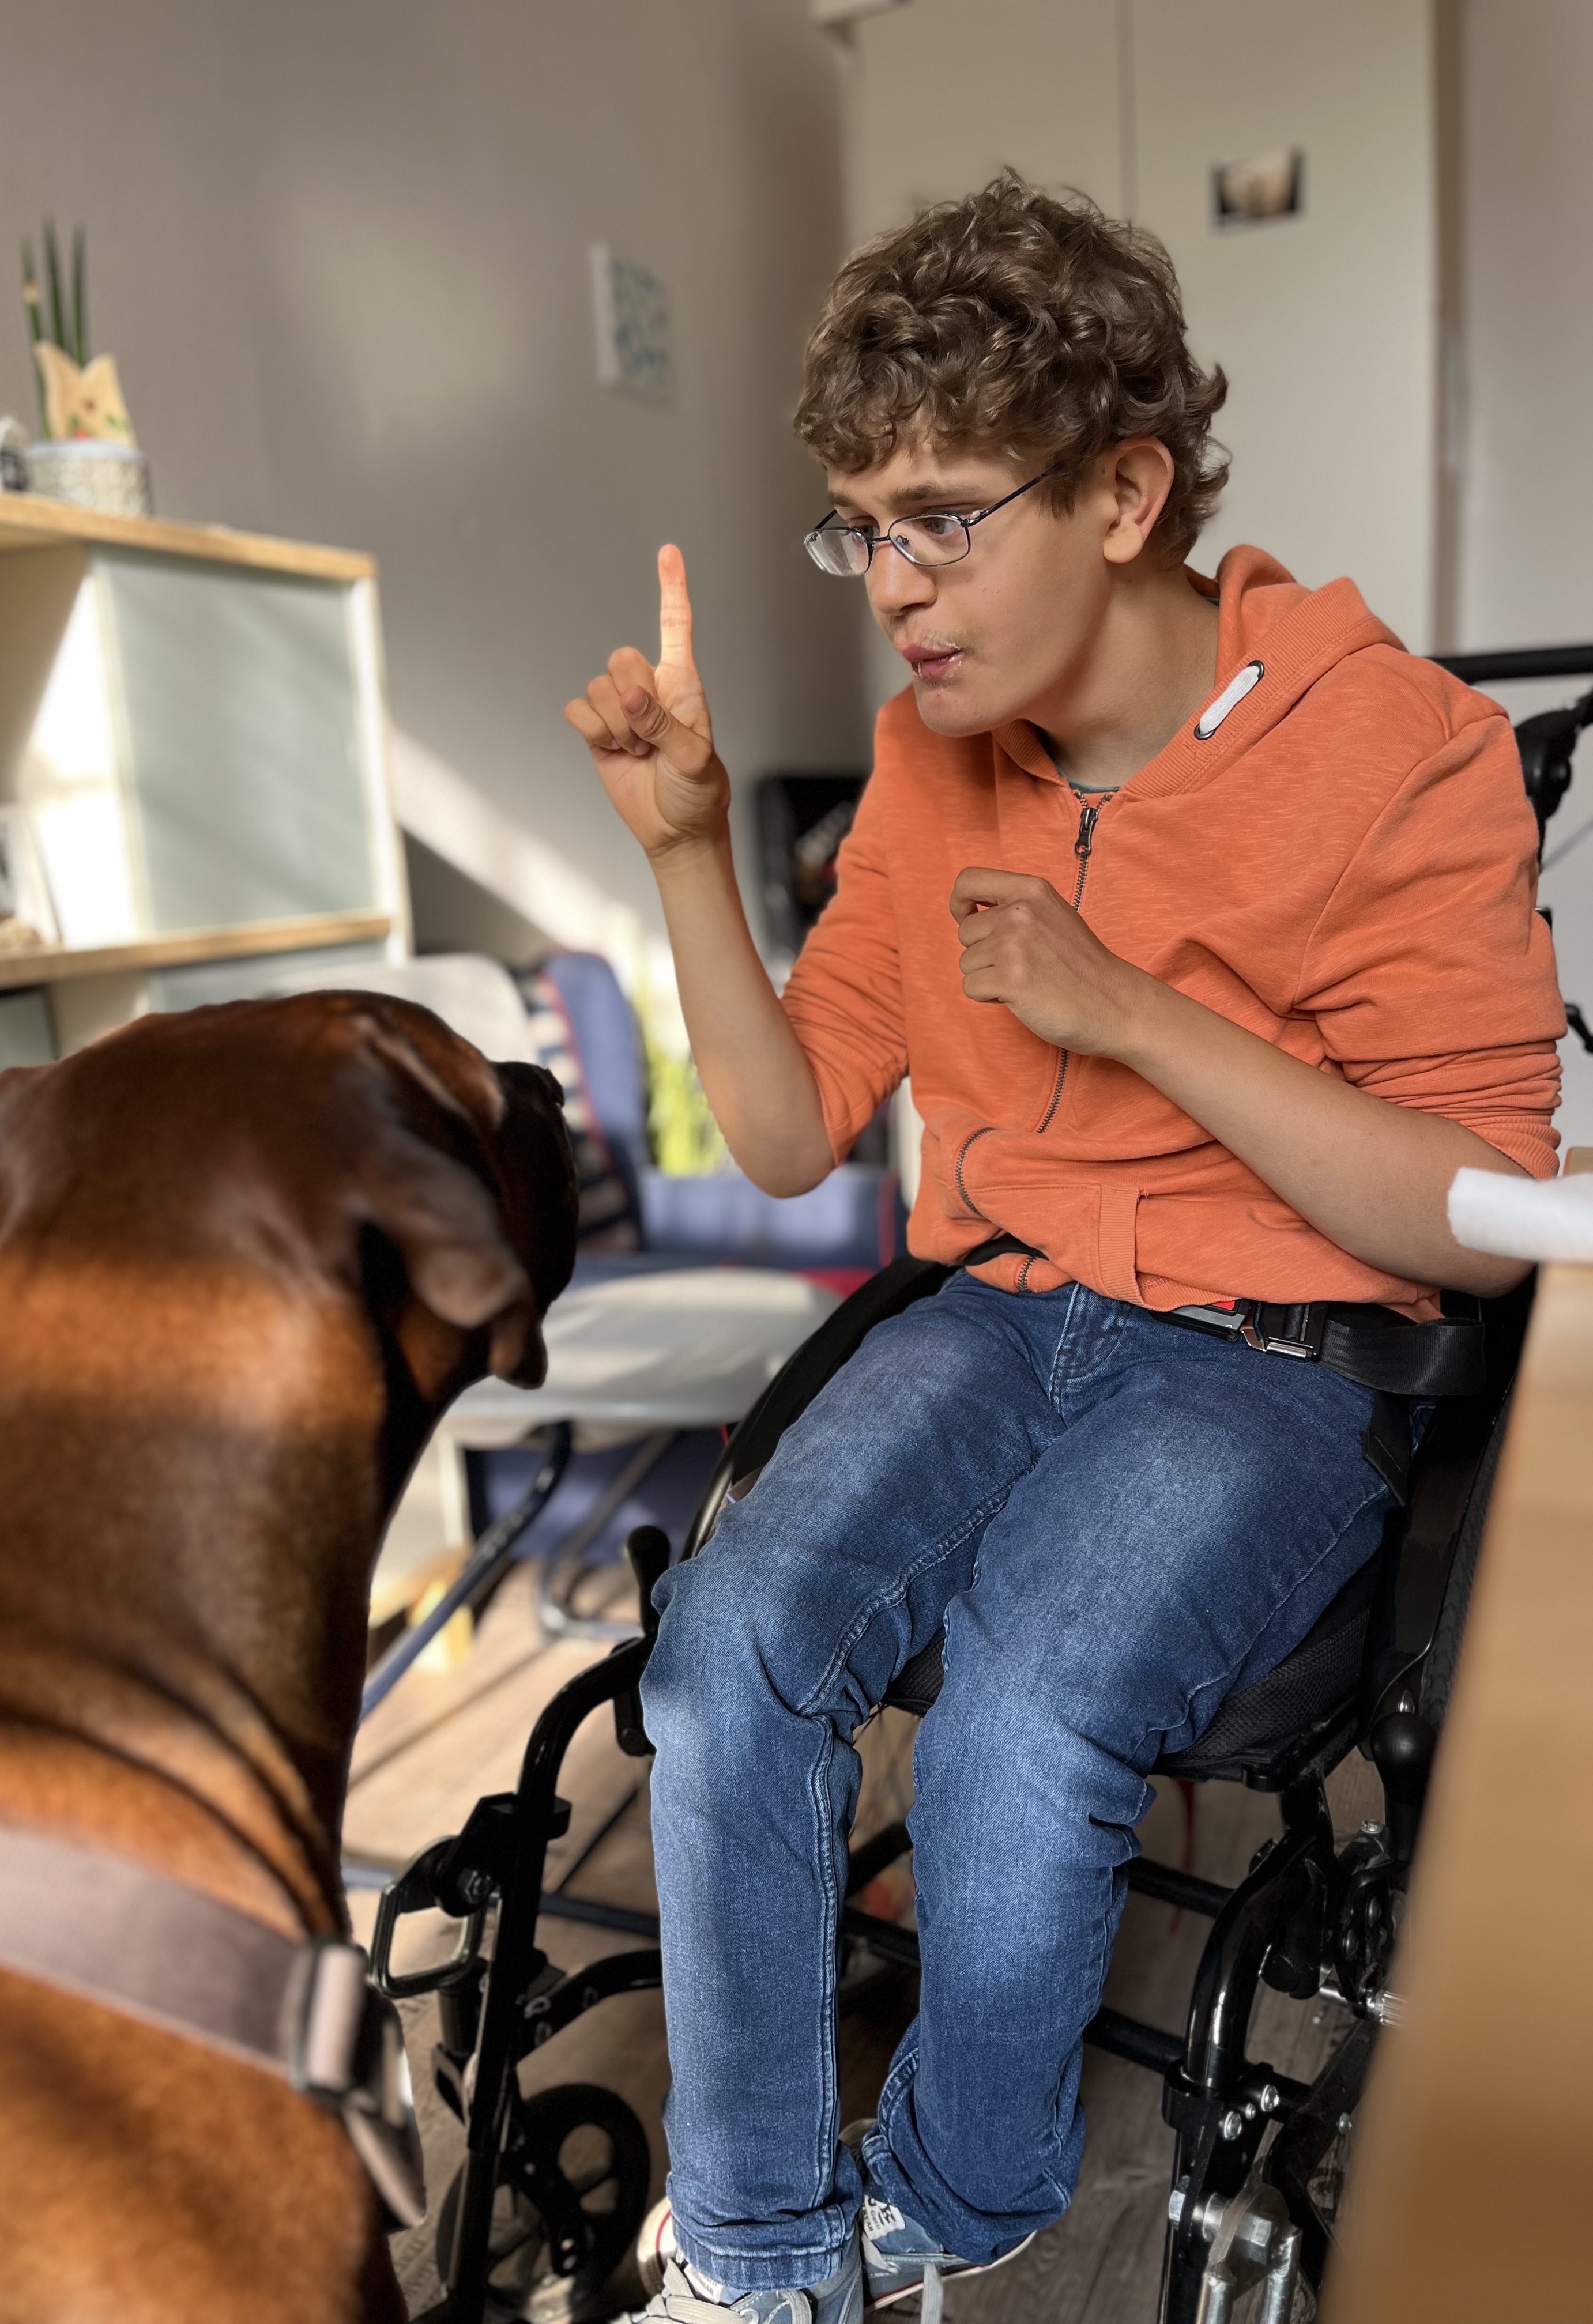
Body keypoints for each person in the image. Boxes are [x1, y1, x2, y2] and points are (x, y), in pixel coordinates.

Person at [564, 171, 1562, 2324]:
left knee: (1027, 1714)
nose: (896, 592)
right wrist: (682, 857)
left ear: (1124, 492)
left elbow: (1477, 1228)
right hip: (997, 1312)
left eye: (944, 517)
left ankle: (963, 2190)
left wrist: (1126, 1010)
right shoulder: (933, 767)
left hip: (1280, 1356)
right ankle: (755, 2266)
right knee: (728, 1650)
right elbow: (785, 1120)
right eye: (863, 526)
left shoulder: (1408, 758)